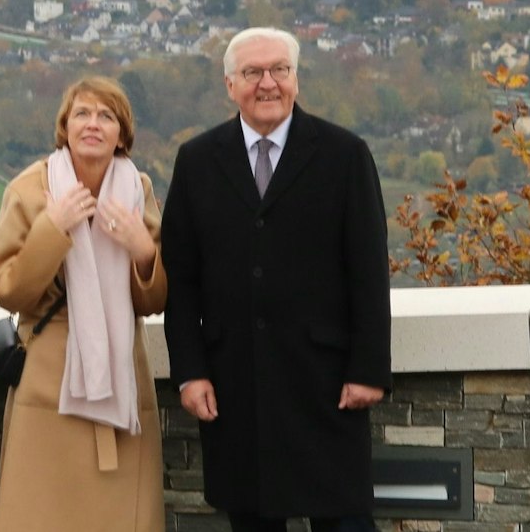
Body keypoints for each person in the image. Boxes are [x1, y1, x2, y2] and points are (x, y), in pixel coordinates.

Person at [161, 28, 392, 532]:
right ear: (230, 84)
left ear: (295, 78)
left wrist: (369, 368)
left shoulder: (343, 154)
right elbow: (182, 279)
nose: (267, 83)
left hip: (326, 384)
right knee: (253, 522)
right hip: (235, 385)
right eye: (252, 73)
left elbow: (370, 271)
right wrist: (190, 370)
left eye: (279, 71)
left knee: (345, 523)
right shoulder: (197, 161)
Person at [0, 76, 167, 531]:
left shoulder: (137, 189)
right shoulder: (30, 189)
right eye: (82, 114)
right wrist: (54, 229)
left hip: (122, 385)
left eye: (106, 116)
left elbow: (155, 300)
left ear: (122, 133)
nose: (93, 125)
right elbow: (9, 291)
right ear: (64, 126)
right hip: (49, 387)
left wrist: (143, 250)